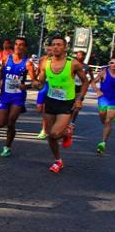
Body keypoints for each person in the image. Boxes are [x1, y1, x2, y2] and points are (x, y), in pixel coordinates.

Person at [33, 35, 88, 173]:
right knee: (49, 134)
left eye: (59, 44)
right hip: (51, 100)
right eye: (53, 44)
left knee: (55, 133)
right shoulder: (45, 62)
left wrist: (79, 99)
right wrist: (35, 84)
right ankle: (58, 160)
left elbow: (85, 82)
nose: (56, 47)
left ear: (65, 47)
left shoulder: (73, 63)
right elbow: (41, 81)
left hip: (66, 103)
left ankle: (66, 131)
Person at [0, 37, 36, 157]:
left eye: (21, 45)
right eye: (16, 44)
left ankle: (7, 146)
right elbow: (1, 71)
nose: (18, 47)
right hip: (5, 95)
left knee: (11, 122)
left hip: (18, 96)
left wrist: (26, 86)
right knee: (0, 123)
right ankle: (6, 113)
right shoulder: (7, 58)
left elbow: (35, 82)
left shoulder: (28, 63)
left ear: (25, 48)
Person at [90, 56, 115, 154]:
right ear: (109, 63)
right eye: (112, 63)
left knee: (108, 121)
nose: (114, 65)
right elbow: (93, 82)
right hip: (103, 99)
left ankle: (102, 143)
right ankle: (106, 127)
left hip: (114, 101)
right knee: (103, 118)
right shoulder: (104, 72)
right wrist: (97, 90)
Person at [71, 50, 94, 125]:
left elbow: (92, 77)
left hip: (80, 88)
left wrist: (86, 84)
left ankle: (72, 122)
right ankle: (67, 118)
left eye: (81, 55)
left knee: (77, 106)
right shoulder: (72, 65)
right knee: (69, 105)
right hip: (71, 87)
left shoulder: (87, 67)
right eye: (78, 55)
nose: (79, 56)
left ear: (84, 56)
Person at [36, 43, 53, 139]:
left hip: (53, 87)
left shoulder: (58, 61)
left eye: (51, 50)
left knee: (47, 110)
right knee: (39, 109)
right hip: (43, 86)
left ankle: (44, 130)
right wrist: (35, 80)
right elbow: (38, 71)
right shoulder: (42, 59)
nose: (49, 52)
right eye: (48, 50)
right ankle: (48, 126)